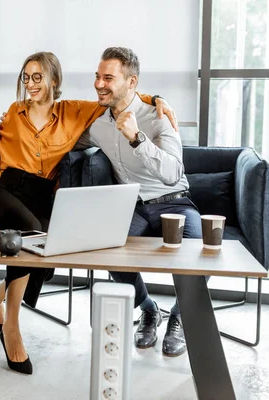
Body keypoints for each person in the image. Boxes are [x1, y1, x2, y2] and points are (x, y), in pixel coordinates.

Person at [0, 51, 177, 374]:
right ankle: (12, 328)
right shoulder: (14, 112)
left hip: (43, 195)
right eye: (26, 78)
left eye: (37, 77)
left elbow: (117, 99)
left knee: (48, 256)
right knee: (29, 235)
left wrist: (154, 98)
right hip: (7, 189)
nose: (30, 84)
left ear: (54, 80)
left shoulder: (74, 112)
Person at [77, 46, 201, 357]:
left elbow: (173, 172)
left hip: (175, 202)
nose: (99, 84)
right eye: (97, 77)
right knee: (107, 248)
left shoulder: (158, 116)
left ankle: (180, 316)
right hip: (132, 206)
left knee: (199, 253)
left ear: (132, 82)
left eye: (109, 78)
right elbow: (61, 135)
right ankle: (148, 308)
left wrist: (136, 138)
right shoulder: (97, 124)